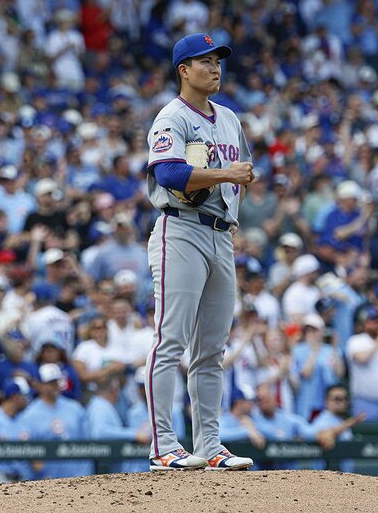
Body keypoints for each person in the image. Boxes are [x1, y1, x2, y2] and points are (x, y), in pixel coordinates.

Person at [144, 33, 255, 471]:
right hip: (182, 230)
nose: (214, 68)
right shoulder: (172, 117)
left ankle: (209, 445)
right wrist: (223, 174)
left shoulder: (228, 118)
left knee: (212, 349)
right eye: (204, 61)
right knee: (170, 339)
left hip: (220, 234)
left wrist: (231, 199)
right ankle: (163, 445)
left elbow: (242, 174)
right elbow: (169, 174)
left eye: (217, 61)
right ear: (183, 70)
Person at [17, 363, 91, 479]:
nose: (55, 386)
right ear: (40, 385)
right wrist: (44, 476)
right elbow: (29, 450)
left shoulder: (75, 408)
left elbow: (87, 444)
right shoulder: (29, 415)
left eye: (57, 382)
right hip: (47, 481)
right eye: (50, 383)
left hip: (77, 477)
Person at [84, 374, 149, 473]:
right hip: (99, 469)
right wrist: (134, 434)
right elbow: (99, 433)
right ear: (114, 389)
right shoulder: (100, 407)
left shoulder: (102, 405)